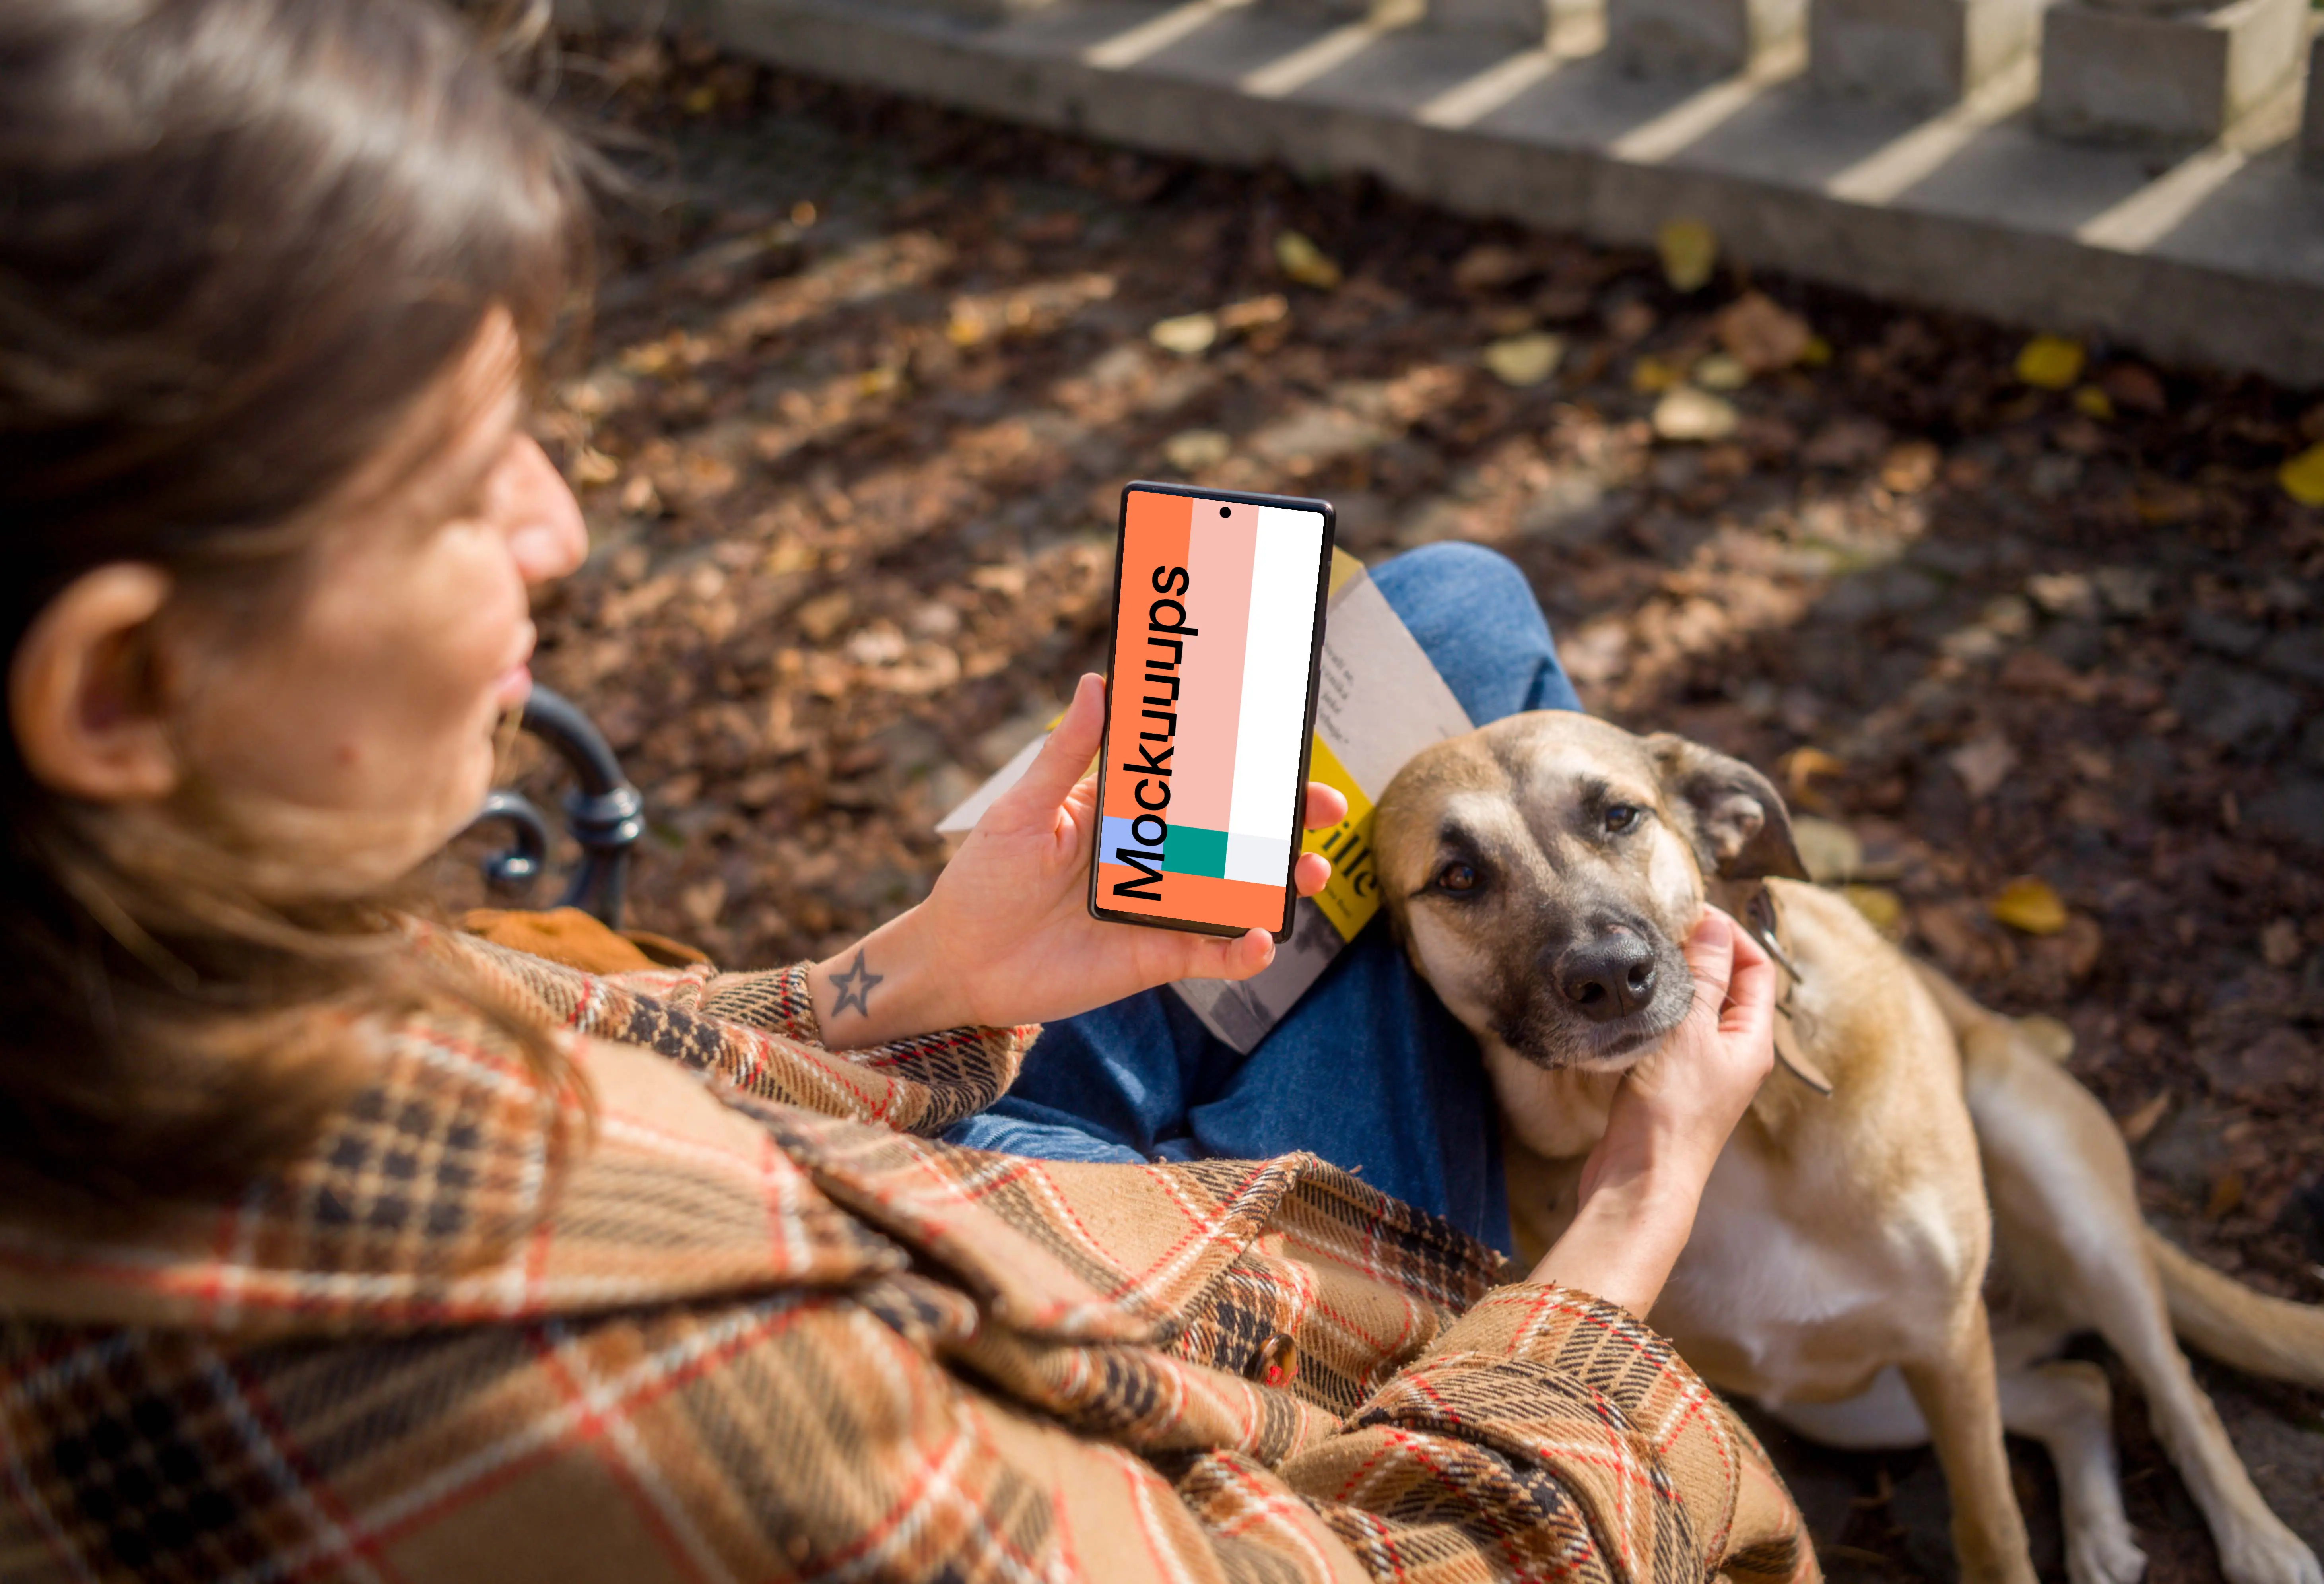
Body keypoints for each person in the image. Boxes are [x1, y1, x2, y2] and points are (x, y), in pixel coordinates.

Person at [0, 0, 1814, 1578]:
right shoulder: (647, 1366)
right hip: (1257, 1345)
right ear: (125, 685)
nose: (561, 528)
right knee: (1474, 662)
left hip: (969, 1177)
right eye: (467, 481)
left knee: (1445, 612)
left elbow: (557, 1024)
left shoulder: (153, 984)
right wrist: (1631, 1215)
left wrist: (932, 977)